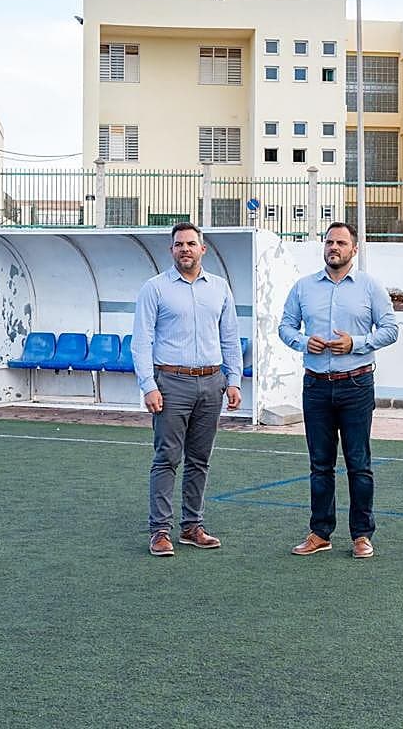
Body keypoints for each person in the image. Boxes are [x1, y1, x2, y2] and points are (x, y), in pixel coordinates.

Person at [279, 222, 399, 559]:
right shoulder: (304, 287)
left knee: (359, 463)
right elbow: (285, 326)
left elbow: (390, 329)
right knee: (320, 465)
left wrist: (355, 344)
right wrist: (304, 341)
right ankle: (320, 532)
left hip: (357, 384)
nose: (334, 247)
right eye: (330, 242)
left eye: (341, 242)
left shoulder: (370, 287)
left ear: (354, 249)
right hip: (316, 385)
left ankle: (361, 535)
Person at [132, 222, 242, 557]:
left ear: (202, 249)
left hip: (212, 384)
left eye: (191, 244)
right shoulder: (155, 288)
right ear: (171, 250)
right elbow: (141, 341)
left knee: (200, 459)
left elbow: (230, 338)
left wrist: (233, 379)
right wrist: (148, 385)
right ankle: (160, 531)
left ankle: (192, 526)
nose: (185, 249)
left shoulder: (220, 288)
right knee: (167, 457)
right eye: (179, 244)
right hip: (171, 383)